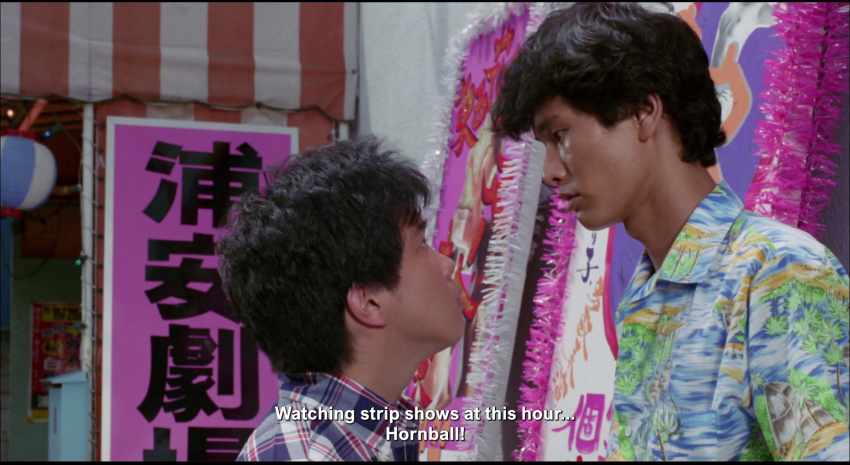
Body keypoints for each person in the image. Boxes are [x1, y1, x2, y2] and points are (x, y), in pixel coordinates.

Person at [491, 2, 849, 461]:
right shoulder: (644, 295)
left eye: (560, 134)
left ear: (644, 112)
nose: (550, 172)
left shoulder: (778, 271)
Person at [216, 136, 465, 461]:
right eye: (421, 246)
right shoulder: (314, 454)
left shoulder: (370, 432)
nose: (447, 265)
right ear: (368, 302)